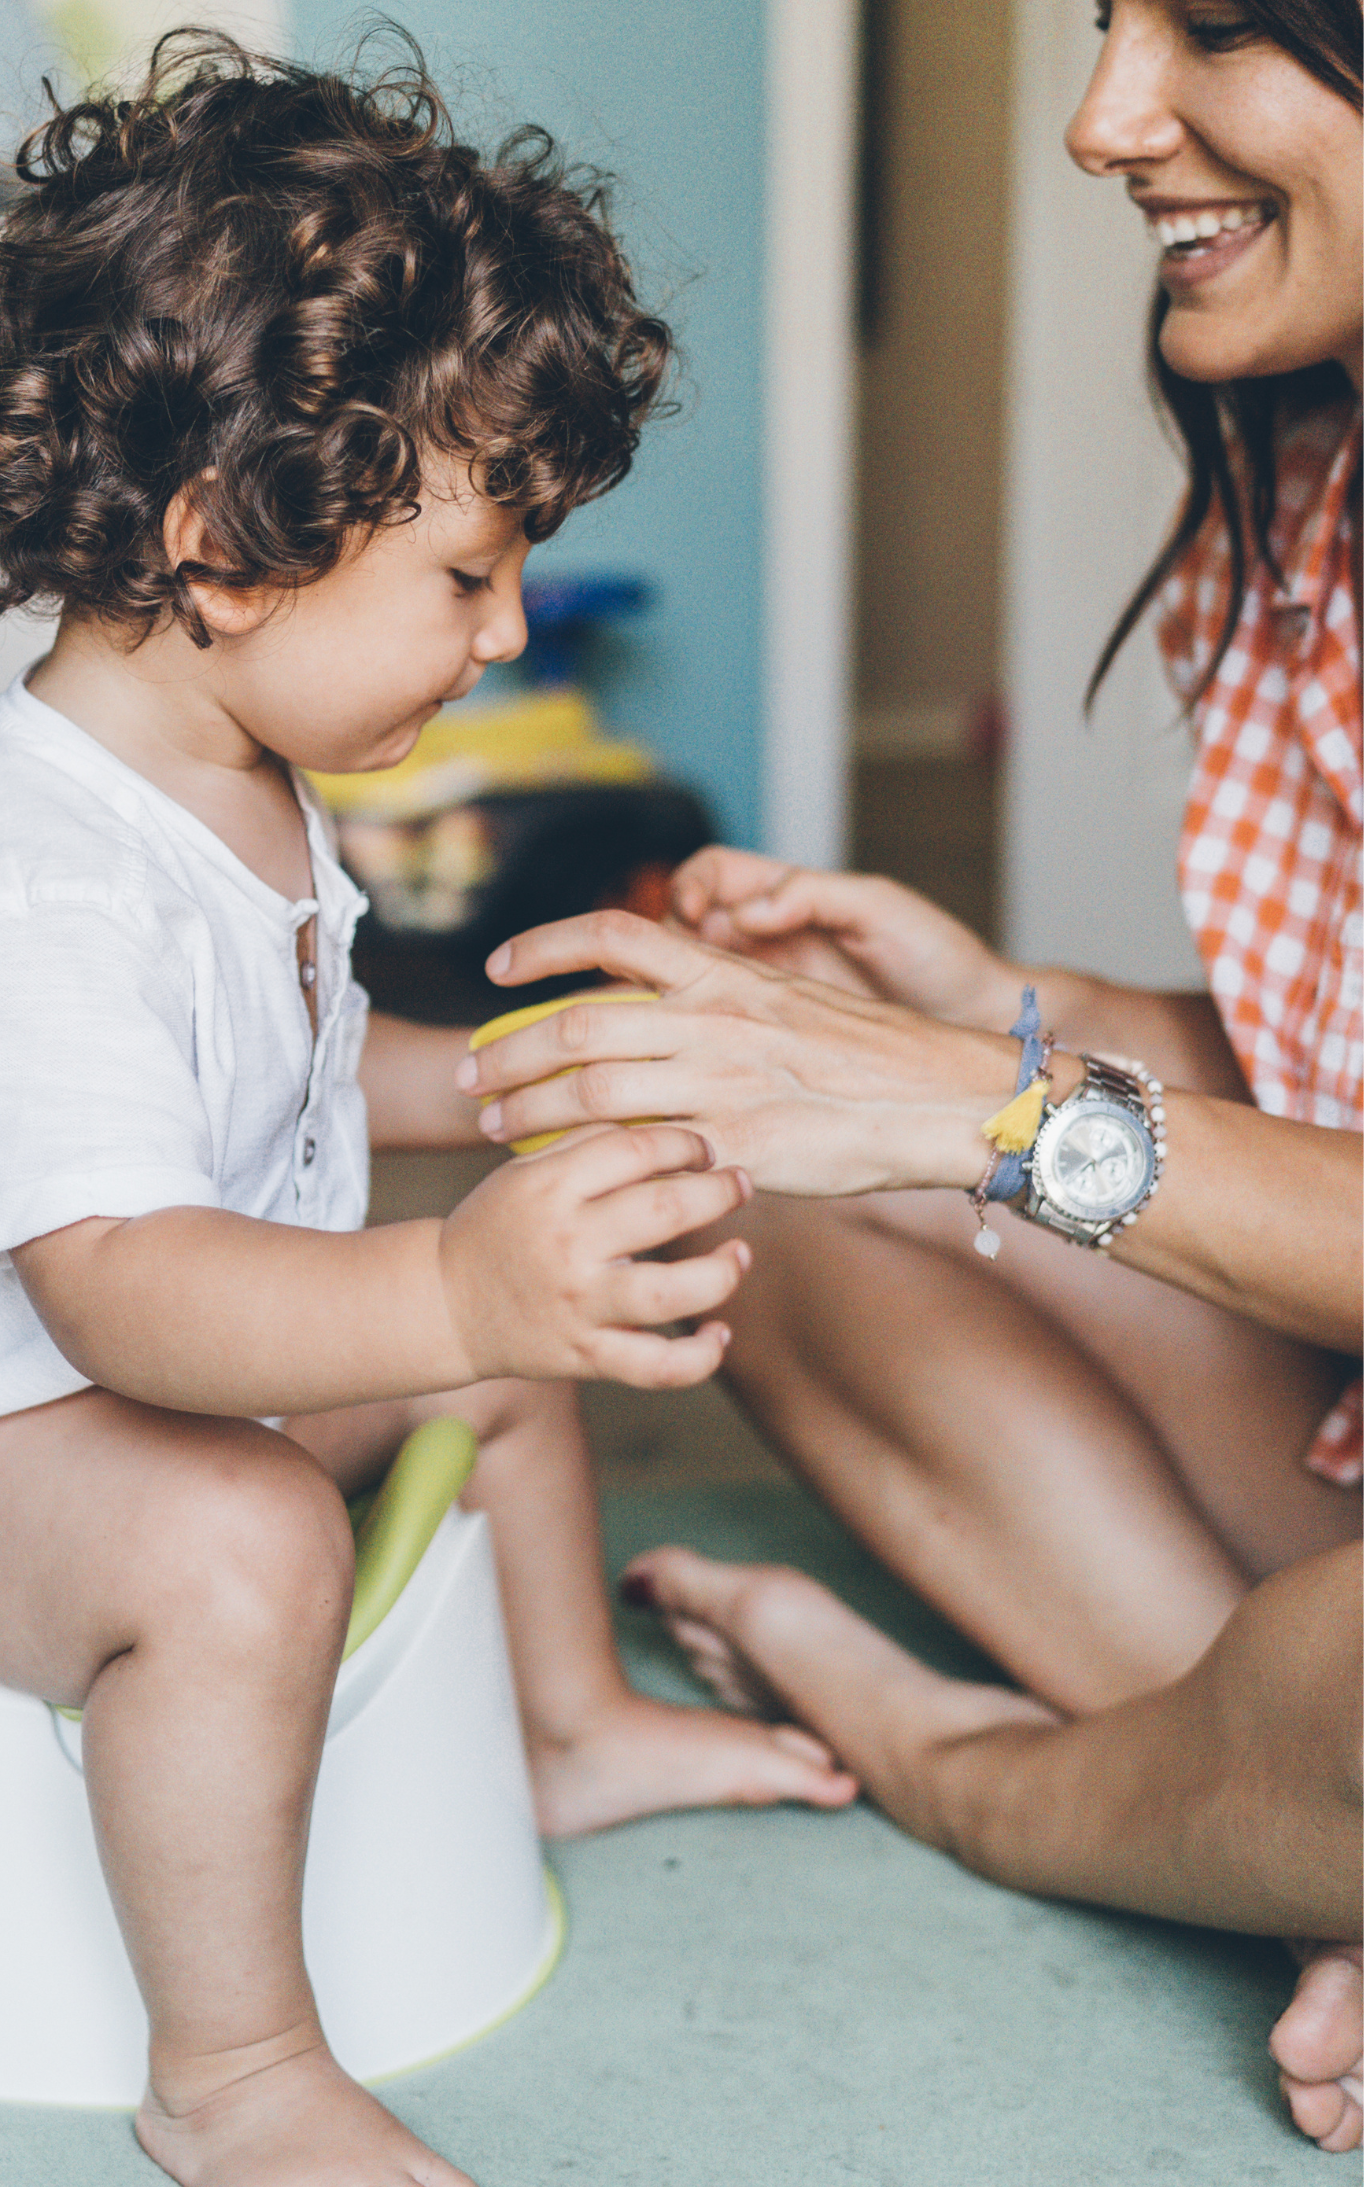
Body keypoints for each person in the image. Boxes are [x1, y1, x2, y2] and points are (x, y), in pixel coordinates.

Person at [0, 38, 855, 2187]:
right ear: (225, 549)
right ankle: (237, 2072)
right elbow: (135, 1297)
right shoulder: (39, 881)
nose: (508, 629)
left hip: (115, 1379)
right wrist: (458, 1276)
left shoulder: (237, 778)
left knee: (499, 1381)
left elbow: (290, 1064)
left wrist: (510, 1090)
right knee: (254, 1531)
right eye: (467, 579)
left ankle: (564, 1725)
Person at [458, 0, 1363, 2155]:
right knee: (722, 1179)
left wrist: (988, 1102)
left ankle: (976, 1762)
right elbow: (1319, 1066)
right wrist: (1015, 1012)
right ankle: (1260, 1802)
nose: (1100, 123)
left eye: (1211, 32)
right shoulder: (1310, 479)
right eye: (1102, 28)